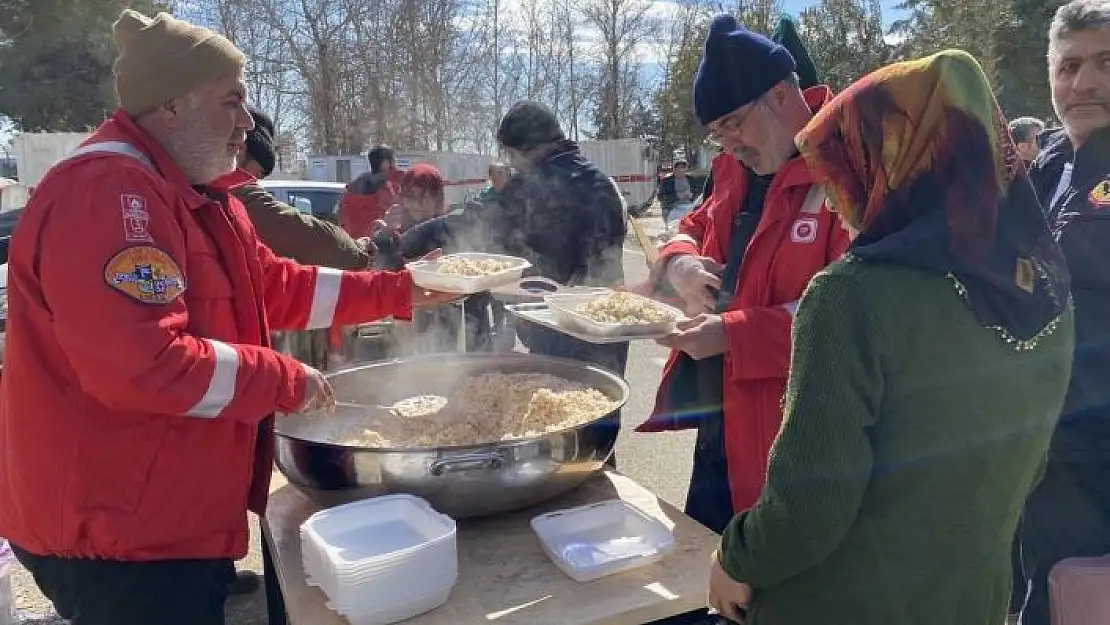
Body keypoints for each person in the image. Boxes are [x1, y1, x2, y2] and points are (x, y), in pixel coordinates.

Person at [0, 10, 450, 625]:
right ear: (171, 106)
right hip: (114, 532)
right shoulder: (108, 193)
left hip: (166, 514)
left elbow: (273, 288)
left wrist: (401, 292)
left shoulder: (201, 193)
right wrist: (286, 380)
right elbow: (143, 364)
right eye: (231, 101)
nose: (247, 122)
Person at [707, 49, 1074, 625]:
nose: (836, 198)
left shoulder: (853, 296)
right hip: (972, 598)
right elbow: (1030, 465)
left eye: (846, 167)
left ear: (892, 159)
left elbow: (809, 507)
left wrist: (735, 556)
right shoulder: (1047, 287)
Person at [637, 14, 850, 536]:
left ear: (780, 94)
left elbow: (853, 314)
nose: (728, 143)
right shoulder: (732, 168)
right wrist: (683, 263)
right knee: (703, 579)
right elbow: (688, 224)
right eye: (716, 133)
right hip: (721, 421)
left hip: (798, 434)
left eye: (732, 123)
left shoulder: (847, 165)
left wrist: (732, 336)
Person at [1016, 2, 1110, 623]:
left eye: (1106, 63)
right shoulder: (1045, 165)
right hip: (1036, 446)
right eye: (1069, 65)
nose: (1084, 83)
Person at [235, 105, 373, 269]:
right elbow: (297, 230)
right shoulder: (233, 192)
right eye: (256, 174)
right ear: (241, 149)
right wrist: (359, 250)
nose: (255, 182)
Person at [338, 144, 400, 238]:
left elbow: (341, 219)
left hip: (352, 246)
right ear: (385, 163)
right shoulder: (388, 190)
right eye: (393, 160)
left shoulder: (350, 191)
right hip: (375, 247)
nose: (396, 164)